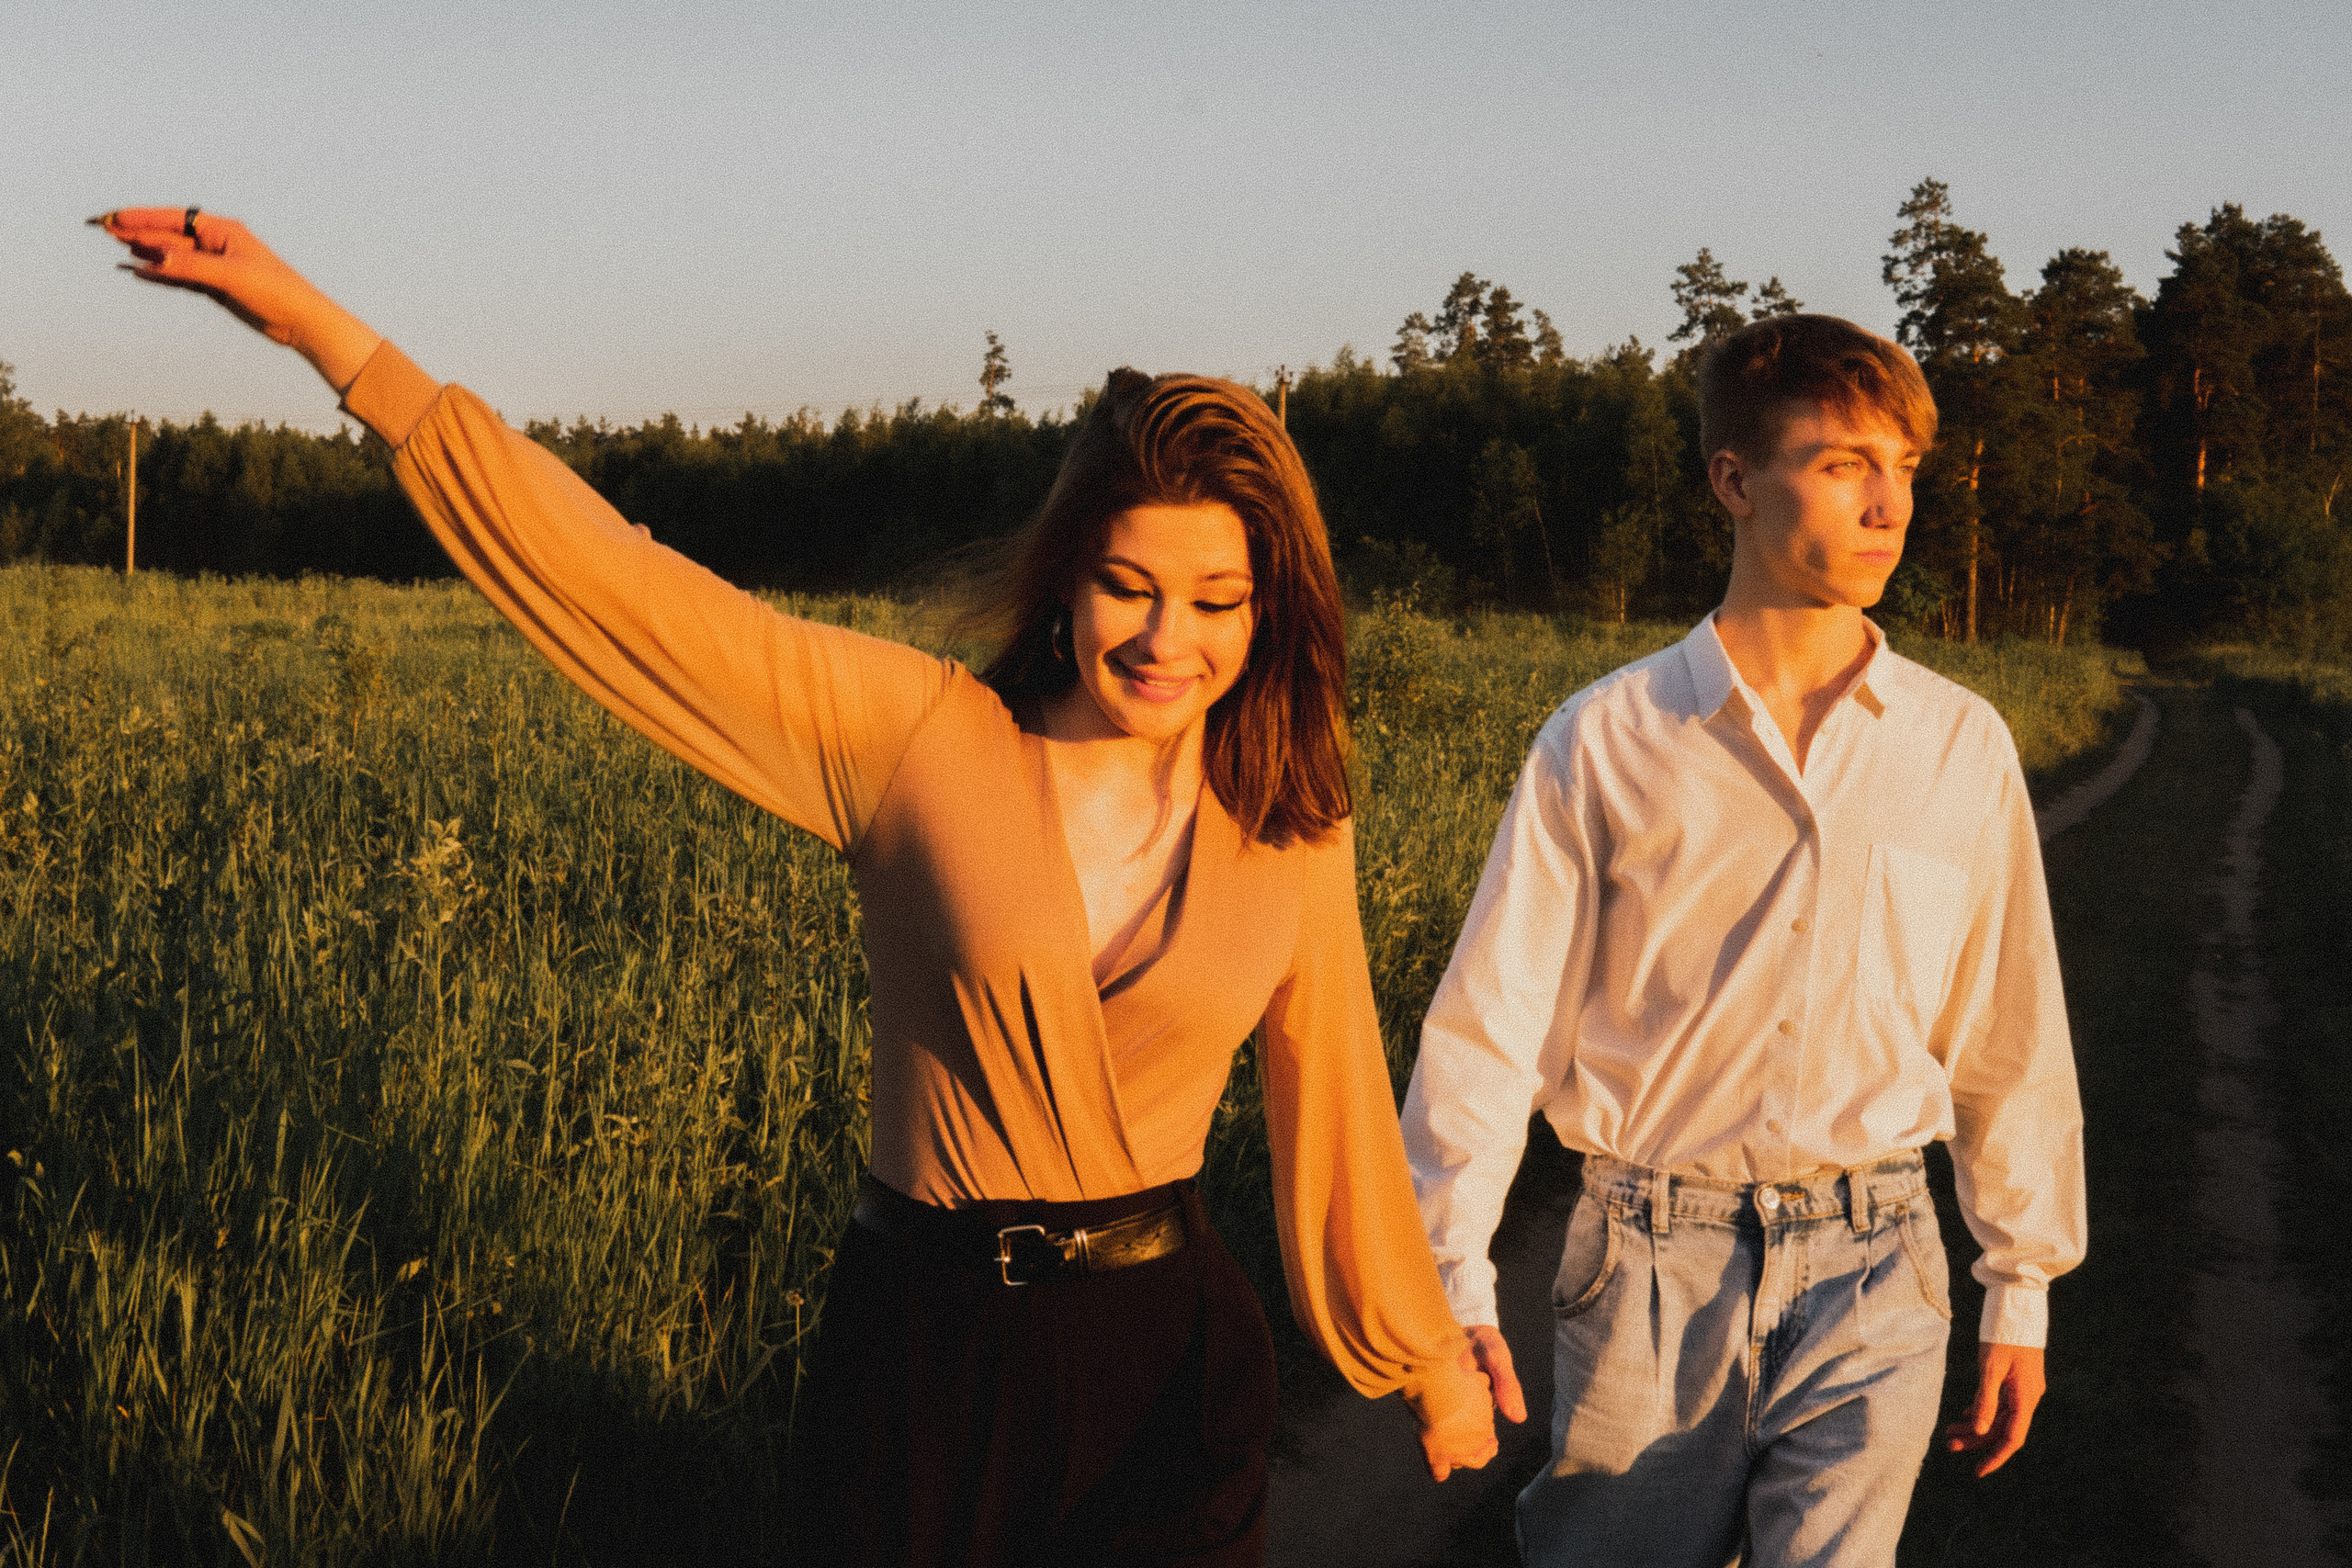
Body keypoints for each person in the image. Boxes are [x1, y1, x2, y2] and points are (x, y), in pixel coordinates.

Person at [93, 207, 1501, 1564]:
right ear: (1066, 577)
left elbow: (1337, 1113)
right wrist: (321, 336)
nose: (1167, 639)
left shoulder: (1288, 822)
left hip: (1172, 1363)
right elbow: (624, 589)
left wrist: (1425, 1355)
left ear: (1269, 606)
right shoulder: (920, 743)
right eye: (1130, 584)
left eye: (1217, 600)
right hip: (927, 1360)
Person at [1400, 314, 2086, 1567]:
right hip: (1649, 1266)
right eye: (1842, 466)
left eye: (1905, 470)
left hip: (1881, 1262)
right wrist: (1449, 1276)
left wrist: (2020, 1284)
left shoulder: (1958, 746)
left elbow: (2007, 1034)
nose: (1889, 505)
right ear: (1734, 481)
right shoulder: (1606, 741)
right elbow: (1492, 1029)